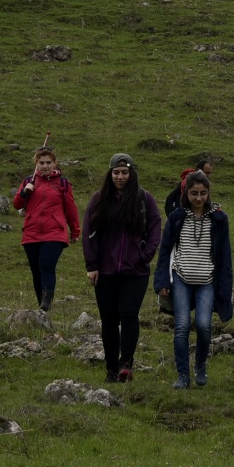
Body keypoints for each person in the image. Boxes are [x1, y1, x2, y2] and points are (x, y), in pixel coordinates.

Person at [82, 154, 162, 384]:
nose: (120, 177)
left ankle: (126, 364)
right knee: (108, 320)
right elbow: (90, 233)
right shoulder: (99, 200)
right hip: (104, 271)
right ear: (110, 174)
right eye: (116, 173)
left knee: (129, 315)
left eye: (124, 173)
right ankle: (110, 369)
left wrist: (146, 256)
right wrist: (92, 265)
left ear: (131, 173)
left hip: (135, 271)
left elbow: (155, 227)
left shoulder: (144, 199)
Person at [155, 169, 233, 390]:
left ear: (209, 193)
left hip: (207, 281)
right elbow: (165, 250)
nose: (199, 198)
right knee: (181, 326)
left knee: (203, 325)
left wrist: (225, 289)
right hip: (181, 279)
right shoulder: (177, 218)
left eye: (203, 193)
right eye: (194, 193)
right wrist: (162, 281)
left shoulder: (219, 220)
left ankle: (200, 364)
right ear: (186, 193)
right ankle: (183, 375)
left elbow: (225, 256)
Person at [12, 144, 81, 312]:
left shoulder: (63, 183)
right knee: (36, 271)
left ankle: (47, 301)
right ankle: (41, 308)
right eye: (41, 163)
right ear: (36, 163)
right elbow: (16, 204)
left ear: (54, 163)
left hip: (54, 233)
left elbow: (70, 208)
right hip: (31, 232)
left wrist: (75, 230)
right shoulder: (29, 181)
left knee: (46, 265)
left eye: (48, 162)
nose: (45, 166)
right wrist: (25, 192)